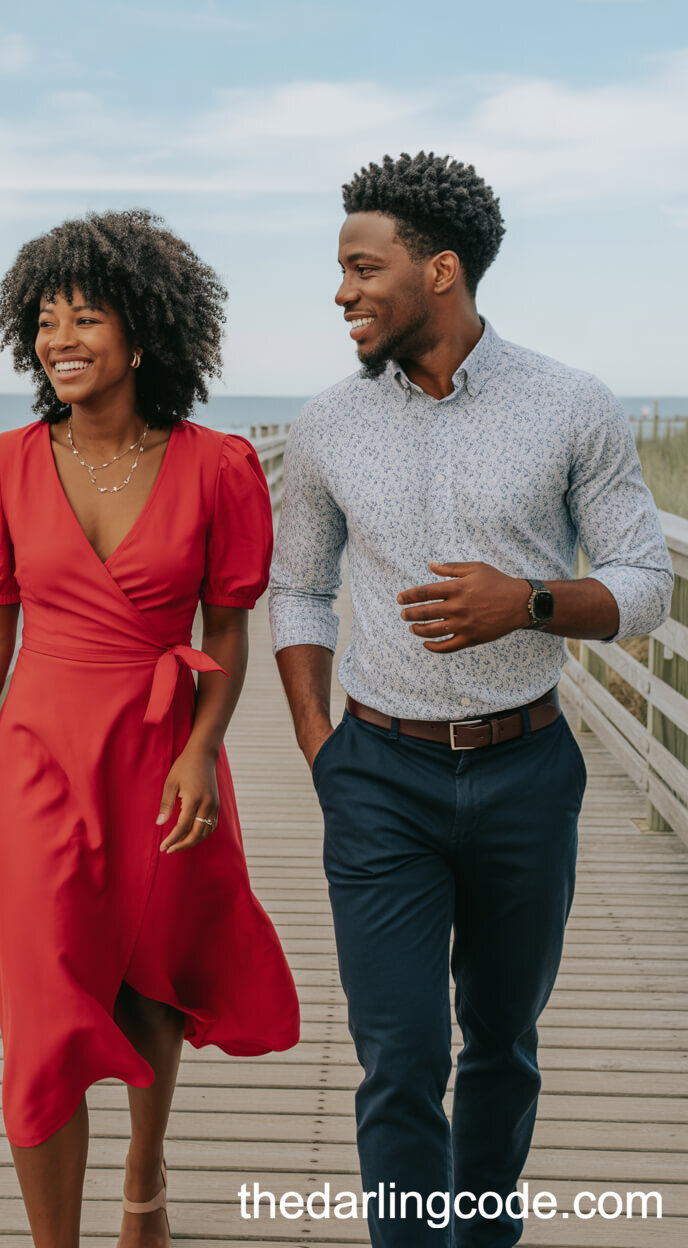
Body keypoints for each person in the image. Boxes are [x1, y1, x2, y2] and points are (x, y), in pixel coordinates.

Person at [268, 151, 672, 1246]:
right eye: (339, 269)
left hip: (526, 772)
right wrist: (319, 746)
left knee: (500, 1043)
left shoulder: (571, 405)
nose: (341, 290)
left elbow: (645, 582)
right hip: (379, 777)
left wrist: (528, 602)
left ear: (439, 270)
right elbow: (297, 585)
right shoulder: (323, 426)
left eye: (363, 267)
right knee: (400, 1057)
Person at [0, 207, 299, 1248]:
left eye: (85, 316)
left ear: (144, 331)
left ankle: (143, 1173)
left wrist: (203, 750)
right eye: (43, 321)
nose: (60, 339)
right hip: (39, 766)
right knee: (41, 1015)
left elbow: (228, 630)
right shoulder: (0, 464)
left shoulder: (216, 465)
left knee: (148, 982)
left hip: (159, 753)